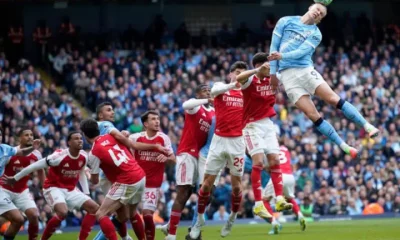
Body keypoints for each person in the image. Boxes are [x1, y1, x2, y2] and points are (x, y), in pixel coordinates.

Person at [267, 3, 379, 158]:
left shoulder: (315, 34)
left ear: (320, 19)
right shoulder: (285, 21)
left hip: (305, 71)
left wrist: (282, 56)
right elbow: (273, 47)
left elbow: (301, 52)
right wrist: (273, 74)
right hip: (287, 77)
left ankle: (367, 126)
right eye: (316, 9)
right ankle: (344, 146)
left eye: (321, 14)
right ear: (309, 7)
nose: (317, 13)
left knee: (333, 99)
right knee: (313, 115)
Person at [94, 102, 169, 240]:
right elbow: (130, 144)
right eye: (109, 110)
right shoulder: (105, 125)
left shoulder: (105, 129)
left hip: (123, 176)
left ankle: (125, 238)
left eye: (113, 110)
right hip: (113, 176)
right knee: (122, 214)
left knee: (126, 214)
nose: (113, 112)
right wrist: (154, 147)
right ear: (100, 115)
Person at [190, 61, 248, 238]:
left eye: (243, 73)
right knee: (206, 184)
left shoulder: (248, 94)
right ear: (231, 73)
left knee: (237, 188)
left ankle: (231, 218)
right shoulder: (220, 87)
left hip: (237, 143)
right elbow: (214, 92)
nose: (240, 76)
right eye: (237, 72)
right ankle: (199, 221)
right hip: (219, 140)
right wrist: (234, 83)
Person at [5, 132, 99, 240]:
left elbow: (81, 171)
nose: (80, 140)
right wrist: (16, 178)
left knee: (94, 208)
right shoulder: (57, 157)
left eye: (81, 138)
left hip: (71, 189)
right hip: (53, 187)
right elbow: (34, 166)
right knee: (63, 212)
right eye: (76, 138)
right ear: (69, 142)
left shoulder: (84, 156)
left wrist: (86, 193)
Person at [236, 53, 292, 219]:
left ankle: (280, 199)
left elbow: (287, 70)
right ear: (260, 67)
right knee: (259, 161)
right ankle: (258, 204)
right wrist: (257, 70)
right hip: (251, 125)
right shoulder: (250, 82)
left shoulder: (272, 78)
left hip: (268, 124)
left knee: (274, 160)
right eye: (267, 67)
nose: (270, 70)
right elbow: (239, 77)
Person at [162, 84, 215, 240]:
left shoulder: (213, 113)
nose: (208, 91)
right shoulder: (195, 107)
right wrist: (204, 99)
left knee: (206, 194)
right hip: (187, 154)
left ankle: (191, 228)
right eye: (204, 90)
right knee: (183, 193)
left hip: (202, 157)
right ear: (198, 94)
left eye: (209, 90)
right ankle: (171, 234)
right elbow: (186, 104)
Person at [80, 118, 146, 240]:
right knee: (128, 215)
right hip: (140, 175)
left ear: (84, 135)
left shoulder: (93, 152)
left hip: (127, 180)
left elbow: (94, 181)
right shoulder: (111, 136)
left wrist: (87, 173)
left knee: (101, 214)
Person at [129, 110, 175, 240]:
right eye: (153, 119)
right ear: (145, 124)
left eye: (158, 119)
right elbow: (126, 145)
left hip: (152, 184)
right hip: (135, 182)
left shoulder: (163, 138)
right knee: (128, 215)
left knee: (148, 215)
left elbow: (173, 158)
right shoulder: (135, 137)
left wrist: (166, 159)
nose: (157, 121)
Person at [0, 129, 44, 240]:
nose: (29, 137)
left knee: (33, 215)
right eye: (26, 135)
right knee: (14, 219)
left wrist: (44, 187)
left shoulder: (6, 149)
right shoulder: (10, 152)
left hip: (22, 191)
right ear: (20, 138)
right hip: (4, 189)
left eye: (31, 135)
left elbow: (40, 170)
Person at [263, 143, 305, 235]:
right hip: (290, 176)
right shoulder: (285, 149)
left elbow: (268, 165)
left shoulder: (270, 148)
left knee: (263, 202)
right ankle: (300, 215)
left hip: (278, 175)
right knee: (289, 198)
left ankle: (275, 223)